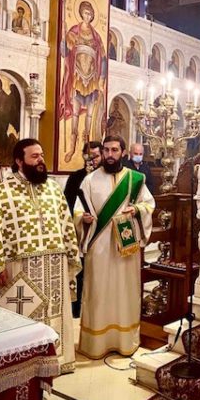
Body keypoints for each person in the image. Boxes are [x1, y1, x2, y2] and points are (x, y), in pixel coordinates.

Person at [0, 138, 81, 373]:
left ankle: (58, 360)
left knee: (54, 313)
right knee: (24, 316)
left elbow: (66, 224)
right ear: (19, 161)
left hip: (55, 267)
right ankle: (23, 367)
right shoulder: (1, 193)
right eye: (34, 156)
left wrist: (71, 254)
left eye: (42, 155)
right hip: (19, 269)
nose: (41, 160)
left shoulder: (53, 189)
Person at [74, 135, 154, 359]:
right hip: (99, 246)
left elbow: (148, 204)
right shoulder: (89, 180)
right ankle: (96, 343)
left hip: (125, 246)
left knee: (125, 290)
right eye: (106, 150)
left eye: (115, 150)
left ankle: (125, 340)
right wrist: (83, 219)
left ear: (123, 153)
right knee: (98, 292)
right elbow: (78, 210)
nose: (110, 154)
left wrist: (136, 210)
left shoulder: (135, 179)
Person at [60, 0, 107, 163]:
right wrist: (63, 38)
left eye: (90, 14)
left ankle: (87, 151)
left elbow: (103, 59)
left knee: (89, 117)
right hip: (78, 76)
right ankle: (71, 149)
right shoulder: (74, 31)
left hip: (92, 78)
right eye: (85, 13)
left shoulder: (96, 36)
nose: (88, 16)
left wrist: (102, 78)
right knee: (75, 113)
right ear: (81, 13)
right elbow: (64, 53)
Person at [64, 140, 102, 318]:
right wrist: (79, 218)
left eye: (96, 156)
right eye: (88, 156)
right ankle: (77, 309)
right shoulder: (75, 177)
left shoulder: (106, 178)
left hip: (101, 232)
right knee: (80, 271)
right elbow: (67, 204)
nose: (92, 160)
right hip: (79, 232)